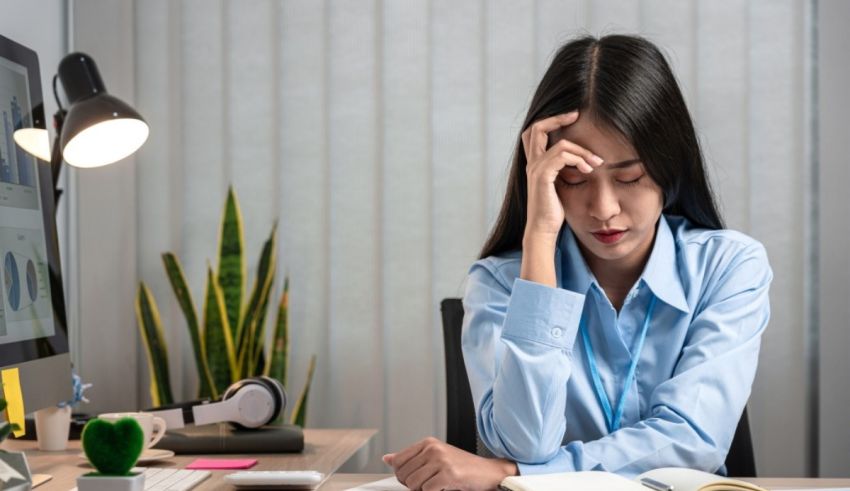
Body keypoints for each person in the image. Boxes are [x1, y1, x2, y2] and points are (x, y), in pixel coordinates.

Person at [383, 34, 773, 491]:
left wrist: (515, 475)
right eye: (572, 178)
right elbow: (524, 441)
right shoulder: (498, 283)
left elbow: (692, 441)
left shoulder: (729, 266)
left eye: (629, 177)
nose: (604, 208)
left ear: (669, 168)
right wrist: (540, 237)